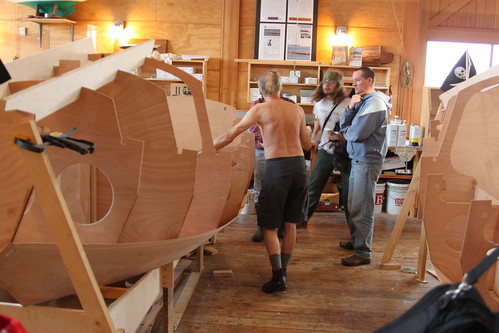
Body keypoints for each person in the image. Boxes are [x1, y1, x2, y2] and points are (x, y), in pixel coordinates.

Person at [214, 71, 311, 293]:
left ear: (260, 91)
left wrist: (206, 149)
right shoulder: (297, 109)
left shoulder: (258, 109)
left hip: (277, 168)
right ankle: (284, 272)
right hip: (298, 167)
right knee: (290, 223)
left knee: (269, 224)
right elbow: (307, 145)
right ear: (280, 88)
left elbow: (231, 135)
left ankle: (278, 277)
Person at [339, 66, 390, 266]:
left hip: (367, 161)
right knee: (353, 205)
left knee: (362, 208)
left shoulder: (375, 103)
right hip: (359, 159)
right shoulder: (362, 101)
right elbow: (345, 128)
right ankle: (356, 242)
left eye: (358, 80)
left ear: (369, 80)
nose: (354, 84)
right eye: (353, 80)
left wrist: (347, 133)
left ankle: (363, 252)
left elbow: (355, 134)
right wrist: (350, 108)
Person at [305, 71, 351, 226]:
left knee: (348, 192)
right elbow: (318, 120)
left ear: (338, 85)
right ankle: (303, 219)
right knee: (313, 185)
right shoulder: (319, 103)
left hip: (346, 152)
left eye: (331, 82)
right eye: (324, 82)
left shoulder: (348, 103)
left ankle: (354, 230)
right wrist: (315, 136)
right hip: (326, 149)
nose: (327, 85)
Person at [249, 95, 295, 242]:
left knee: (281, 190)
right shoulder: (256, 105)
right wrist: (271, 137)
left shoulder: (289, 104)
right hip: (262, 153)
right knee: (261, 191)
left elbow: (293, 127)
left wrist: (271, 136)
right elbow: (253, 128)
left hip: (284, 152)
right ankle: (261, 226)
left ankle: (279, 224)